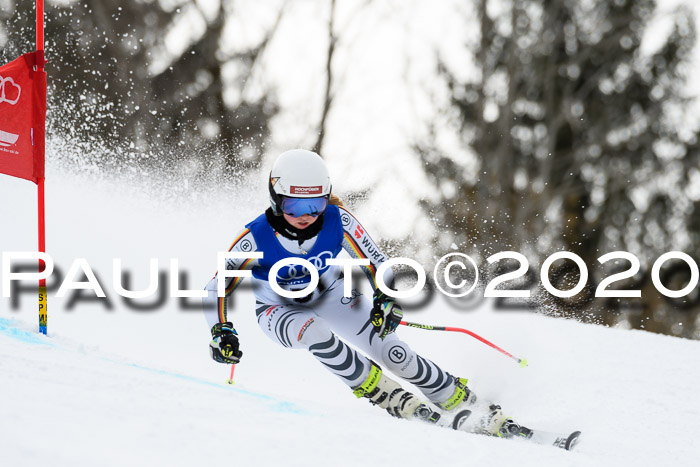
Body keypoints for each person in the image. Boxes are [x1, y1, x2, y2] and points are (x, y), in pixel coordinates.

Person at [202, 149, 512, 435]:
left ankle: (460, 398)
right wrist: (221, 330)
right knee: (316, 331)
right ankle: (383, 392)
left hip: (332, 295)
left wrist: (385, 296)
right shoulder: (254, 238)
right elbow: (216, 288)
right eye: (294, 205)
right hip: (277, 311)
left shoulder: (338, 221)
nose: (306, 214)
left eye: (316, 204)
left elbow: (378, 262)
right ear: (276, 199)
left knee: (394, 353)